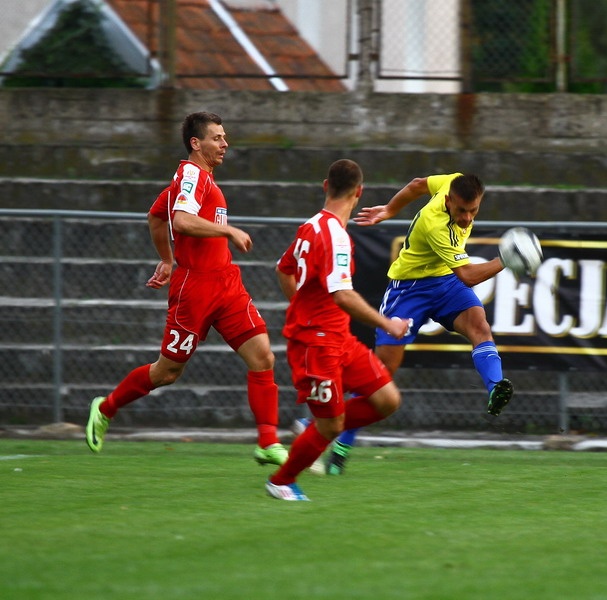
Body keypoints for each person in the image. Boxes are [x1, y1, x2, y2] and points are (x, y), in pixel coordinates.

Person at [85, 111, 287, 466]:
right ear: (196, 143)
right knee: (168, 372)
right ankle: (105, 408)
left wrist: (166, 258)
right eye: (217, 138)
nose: (225, 144)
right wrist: (227, 231)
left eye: (225, 137)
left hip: (226, 284)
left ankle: (268, 442)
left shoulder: (198, 180)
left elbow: (157, 215)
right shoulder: (191, 173)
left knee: (263, 357)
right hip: (195, 289)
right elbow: (179, 219)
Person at [303, 173, 516, 476]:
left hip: (444, 282)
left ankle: (496, 387)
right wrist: (506, 259)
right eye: (461, 212)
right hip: (409, 290)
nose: (467, 218)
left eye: (474, 211)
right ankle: (337, 443)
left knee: (479, 325)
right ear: (448, 201)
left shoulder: (453, 182)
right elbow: (468, 275)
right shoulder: (434, 221)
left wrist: (390, 209)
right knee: (380, 376)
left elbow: (417, 184)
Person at [265, 159, 410, 501]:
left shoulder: (310, 227)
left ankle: (319, 428)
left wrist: (301, 306)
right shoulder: (335, 236)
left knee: (387, 399)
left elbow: (283, 269)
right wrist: (387, 323)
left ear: (324, 186)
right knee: (331, 425)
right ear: (359, 192)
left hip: (339, 340)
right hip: (318, 345)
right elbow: (342, 294)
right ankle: (281, 481)